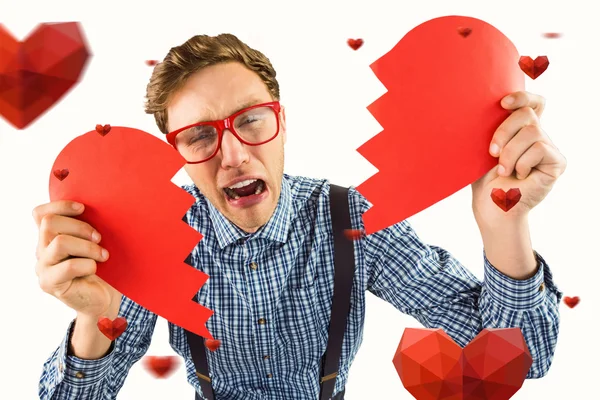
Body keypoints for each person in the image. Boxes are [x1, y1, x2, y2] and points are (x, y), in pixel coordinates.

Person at [36, 33, 566, 400]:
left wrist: (505, 227)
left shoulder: (351, 221)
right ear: (176, 154)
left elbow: (520, 360)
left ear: (282, 123)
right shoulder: (155, 238)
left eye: (252, 120)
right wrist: (93, 318)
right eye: (200, 136)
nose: (235, 154)